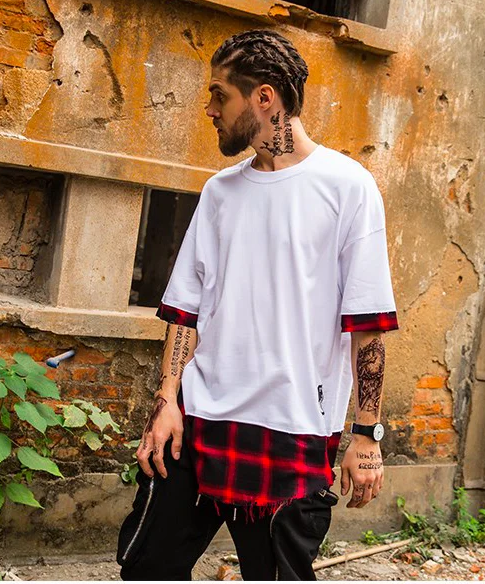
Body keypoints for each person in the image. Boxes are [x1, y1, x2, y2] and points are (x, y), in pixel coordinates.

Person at [116, 29, 399, 581]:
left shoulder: (348, 188)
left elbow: (368, 326)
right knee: (146, 568)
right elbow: (186, 310)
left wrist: (367, 435)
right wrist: (167, 400)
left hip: (293, 430)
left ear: (264, 98)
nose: (209, 109)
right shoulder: (219, 192)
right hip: (197, 423)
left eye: (220, 95)